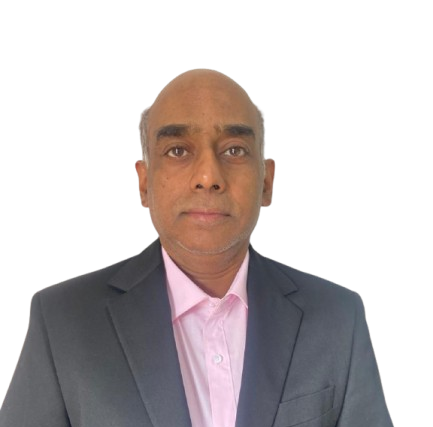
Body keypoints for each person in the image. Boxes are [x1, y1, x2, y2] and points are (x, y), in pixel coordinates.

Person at [0, 68, 393, 427]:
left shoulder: (338, 318)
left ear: (267, 181)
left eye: (235, 149)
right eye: (178, 150)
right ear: (143, 182)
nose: (208, 176)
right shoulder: (62, 321)